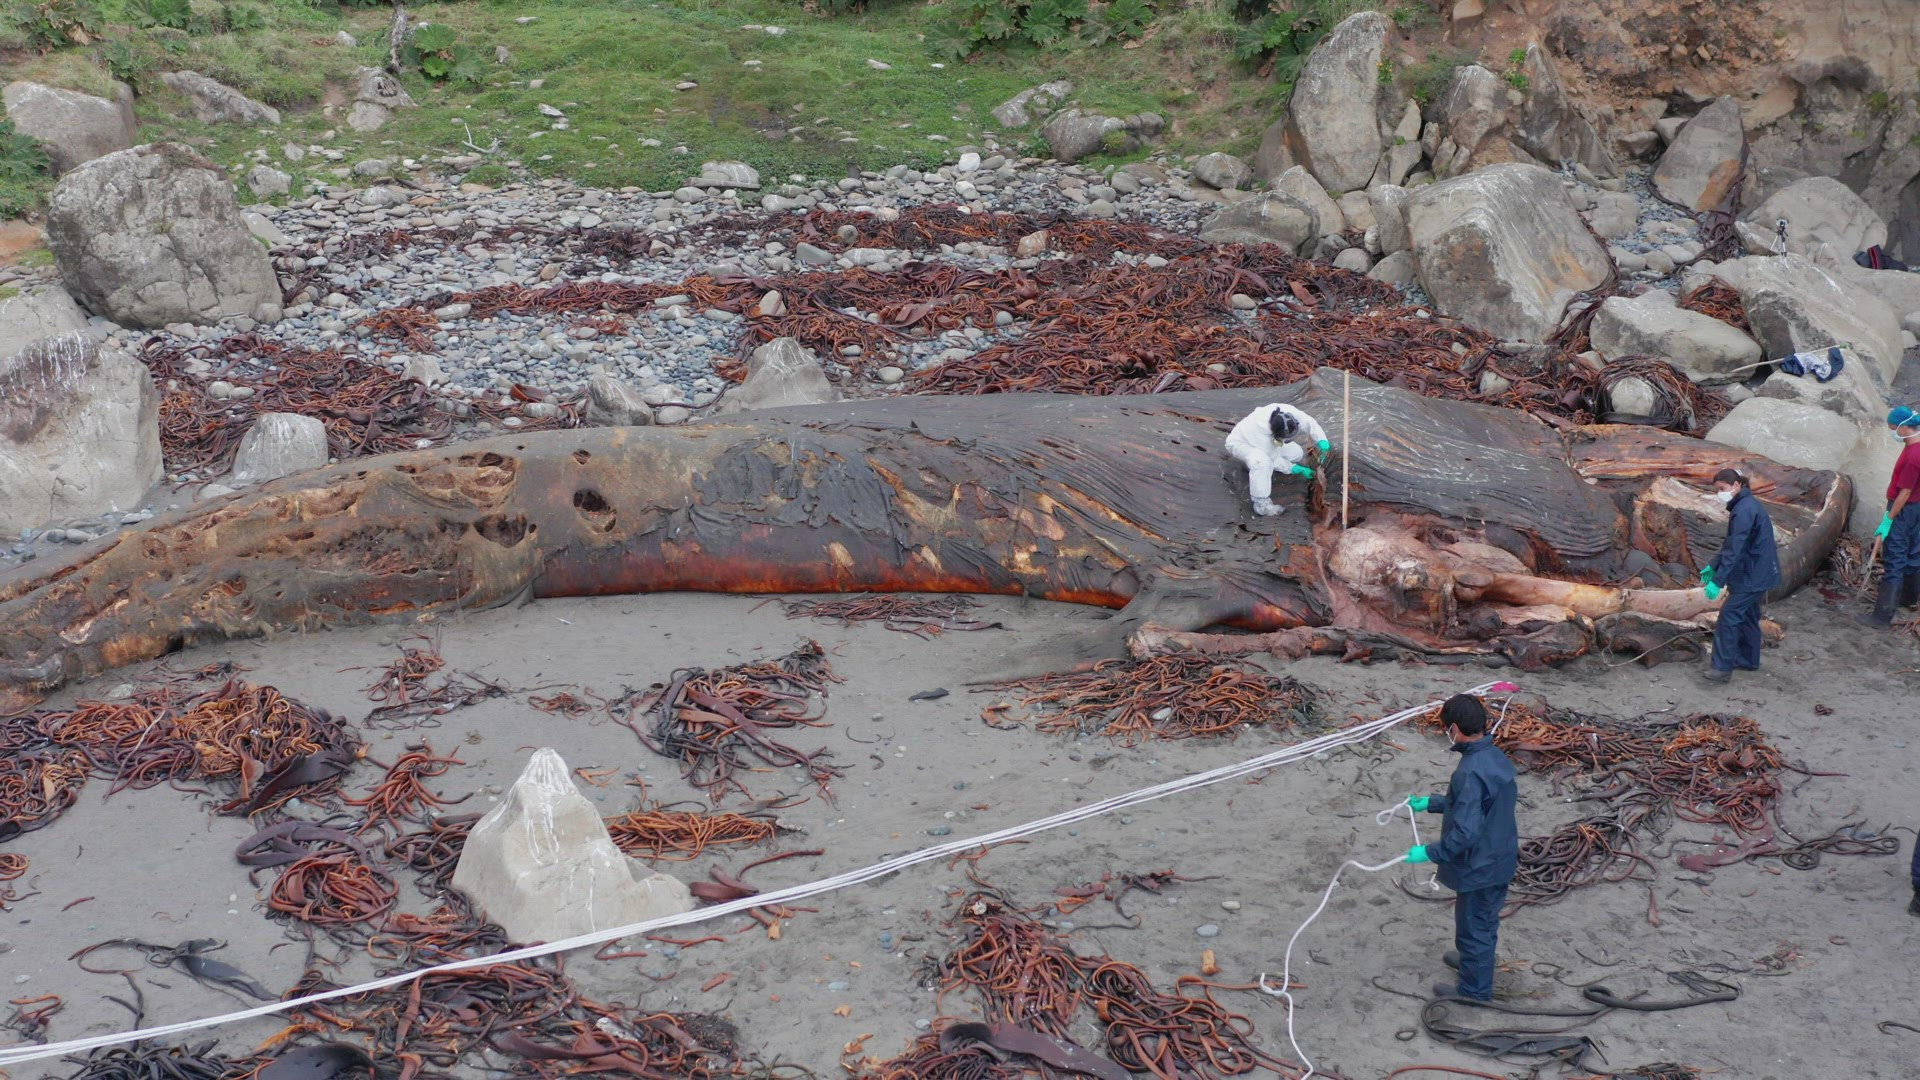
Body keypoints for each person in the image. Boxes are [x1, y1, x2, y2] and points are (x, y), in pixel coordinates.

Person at [1405, 694, 1518, 1002]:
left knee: (1473, 927)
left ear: (1454, 728)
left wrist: (1431, 853)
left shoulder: (1469, 771)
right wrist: (1433, 803)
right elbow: (1478, 805)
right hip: (1499, 856)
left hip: (1480, 865)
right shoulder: (1493, 757)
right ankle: (1475, 965)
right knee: (1482, 920)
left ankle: (1474, 991)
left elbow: (1466, 830)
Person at [1699, 468, 1779, 683]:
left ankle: (1722, 668)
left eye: (1722, 489)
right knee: (1749, 616)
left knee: (1729, 617)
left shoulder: (1744, 510)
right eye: (1717, 490)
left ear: (1736, 485)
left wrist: (1718, 581)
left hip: (1752, 574)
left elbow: (1736, 548)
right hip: (1756, 572)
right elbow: (1732, 543)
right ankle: (1748, 659)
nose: (1720, 494)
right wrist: (1714, 566)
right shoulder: (1745, 505)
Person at [1861, 406, 1920, 627]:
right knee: (1914, 553)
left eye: (1894, 428)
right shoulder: (1915, 448)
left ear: (1905, 427)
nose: (1892, 432)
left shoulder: (1913, 456)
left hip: (1904, 508)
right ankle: (1909, 599)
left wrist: (1889, 519)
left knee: (1895, 559)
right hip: (1917, 507)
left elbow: (1904, 492)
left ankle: (1882, 617)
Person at [1223, 403, 1329, 517]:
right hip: (1241, 444)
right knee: (1262, 462)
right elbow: (1273, 459)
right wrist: (1293, 468)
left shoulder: (1287, 412)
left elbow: (1308, 422)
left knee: (1296, 453)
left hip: (1265, 442)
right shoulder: (1260, 434)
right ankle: (1261, 504)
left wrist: (1322, 441)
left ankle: (1260, 471)